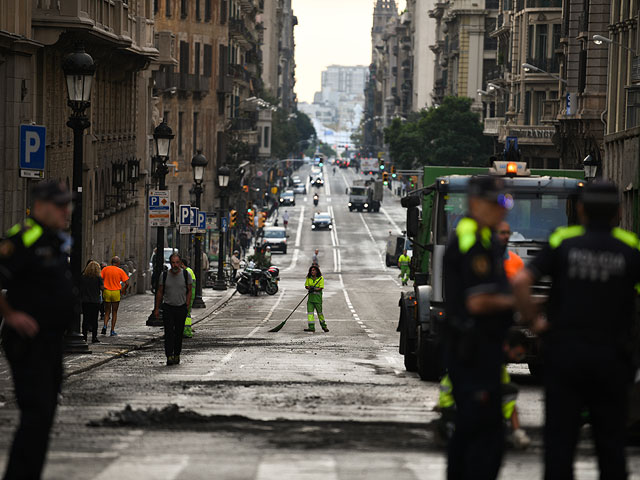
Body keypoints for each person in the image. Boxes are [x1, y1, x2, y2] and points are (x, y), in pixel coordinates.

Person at [513, 181, 640, 479]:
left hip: (565, 356)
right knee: (611, 445)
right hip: (612, 358)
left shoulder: (563, 241)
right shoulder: (630, 247)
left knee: (559, 443)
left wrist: (536, 322)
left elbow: (520, 282)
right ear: (618, 213)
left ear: (580, 210)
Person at [0, 180, 78, 480]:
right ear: (41, 206)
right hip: (27, 342)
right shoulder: (24, 238)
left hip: (50, 341)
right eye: (60, 205)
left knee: (44, 416)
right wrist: (11, 314)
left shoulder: (57, 240)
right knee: (36, 414)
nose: (66, 211)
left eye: (67, 205)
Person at [443, 175, 515, 480]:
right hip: (472, 352)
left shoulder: (485, 238)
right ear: (475, 203)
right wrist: (517, 303)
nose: (503, 210)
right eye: (497, 203)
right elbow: (477, 302)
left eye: (506, 203)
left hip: (482, 349)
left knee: (472, 433)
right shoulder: (473, 240)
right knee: (483, 439)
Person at [436, 330, 531, 450]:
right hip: (455, 403)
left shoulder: (496, 364)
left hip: (458, 401)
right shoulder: (487, 361)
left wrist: (518, 432)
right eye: (518, 354)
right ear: (507, 346)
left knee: (505, 393)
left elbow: (509, 403)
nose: (518, 360)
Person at [154, 253, 192, 365]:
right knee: (169, 332)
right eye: (173, 263)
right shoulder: (164, 275)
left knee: (179, 333)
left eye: (177, 263)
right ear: (170, 263)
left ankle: (177, 354)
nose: (175, 265)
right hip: (168, 308)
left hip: (181, 308)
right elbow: (160, 292)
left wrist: (187, 304)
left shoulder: (186, 275)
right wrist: (157, 308)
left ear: (180, 263)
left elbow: (189, 290)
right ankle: (169, 355)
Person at [100, 256, 129, 336]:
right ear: (118, 263)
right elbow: (127, 283)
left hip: (107, 291)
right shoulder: (120, 270)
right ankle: (112, 330)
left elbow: (100, 279)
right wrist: (123, 290)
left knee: (107, 311)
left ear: (111, 262)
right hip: (116, 292)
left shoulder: (105, 269)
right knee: (114, 312)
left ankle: (105, 326)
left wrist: (102, 287)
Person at [81, 260, 104, 343]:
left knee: (85, 319)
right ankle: (94, 337)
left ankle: (84, 337)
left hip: (85, 301)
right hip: (95, 301)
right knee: (94, 320)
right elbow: (102, 288)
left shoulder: (83, 277)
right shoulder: (98, 278)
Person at [304, 265, 328, 333]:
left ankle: (324, 326)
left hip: (317, 300)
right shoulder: (309, 278)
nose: (312, 271)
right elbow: (306, 286)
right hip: (310, 299)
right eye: (311, 270)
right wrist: (309, 288)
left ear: (317, 271)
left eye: (314, 270)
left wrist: (314, 289)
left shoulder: (320, 278)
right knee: (310, 313)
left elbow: (321, 287)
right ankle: (311, 327)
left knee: (320, 313)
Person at [181, 258, 196, 338]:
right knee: (187, 313)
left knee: (186, 313)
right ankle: (186, 330)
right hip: (190, 295)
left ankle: (186, 331)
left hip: (188, 295)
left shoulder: (187, 272)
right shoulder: (189, 270)